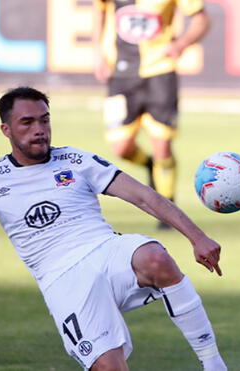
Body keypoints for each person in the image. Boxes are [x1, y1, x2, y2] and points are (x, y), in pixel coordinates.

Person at [0, 87, 227, 370]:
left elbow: (144, 195)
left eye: (44, 120)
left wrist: (197, 237)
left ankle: (214, 364)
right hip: (62, 280)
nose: (39, 129)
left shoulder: (76, 161)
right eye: (27, 122)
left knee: (155, 256)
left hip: (104, 251)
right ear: (6, 129)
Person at [93, 0, 210, 228]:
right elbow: (98, 13)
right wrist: (97, 54)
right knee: (121, 148)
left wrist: (182, 43)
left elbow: (201, 18)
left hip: (160, 73)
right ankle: (150, 166)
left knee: (162, 146)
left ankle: (167, 207)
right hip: (121, 75)